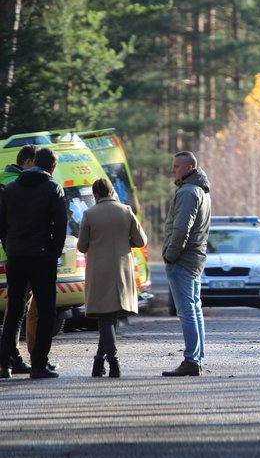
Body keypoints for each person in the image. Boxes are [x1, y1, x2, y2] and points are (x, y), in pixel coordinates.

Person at [0, 147, 67, 379]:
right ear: (52, 167)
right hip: (42, 257)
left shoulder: (10, 189)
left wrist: (10, 248)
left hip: (16, 256)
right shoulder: (52, 189)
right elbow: (60, 225)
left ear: (33, 162)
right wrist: (53, 254)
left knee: (15, 310)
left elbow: (2, 226)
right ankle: (39, 364)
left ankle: (4, 364)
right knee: (46, 311)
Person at [77, 178, 147, 378]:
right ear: (111, 191)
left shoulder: (89, 214)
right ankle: (98, 362)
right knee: (111, 315)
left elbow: (82, 246)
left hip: (100, 271)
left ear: (95, 194)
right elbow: (141, 240)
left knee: (105, 317)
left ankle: (113, 361)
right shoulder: (126, 210)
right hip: (122, 269)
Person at [161, 151, 212, 377]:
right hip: (194, 258)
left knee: (187, 311)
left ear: (189, 168)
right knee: (195, 308)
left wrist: (171, 254)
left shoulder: (189, 192)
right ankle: (197, 357)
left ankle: (192, 359)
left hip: (183, 259)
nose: (173, 170)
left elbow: (182, 228)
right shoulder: (200, 191)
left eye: (176, 166)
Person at [0, 145, 38, 364]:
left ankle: (9, 357)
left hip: (11, 250)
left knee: (14, 307)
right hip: (16, 252)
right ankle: (12, 356)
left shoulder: (4, 179)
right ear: (28, 162)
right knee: (18, 307)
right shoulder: (17, 184)